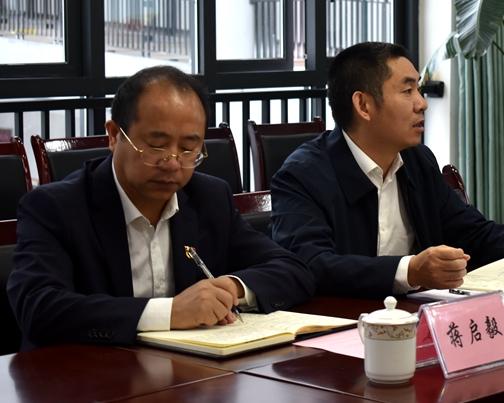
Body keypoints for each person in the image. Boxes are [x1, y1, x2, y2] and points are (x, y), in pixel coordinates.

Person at [8, 66, 315, 351]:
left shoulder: (208, 197)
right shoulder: (56, 207)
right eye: (156, 146)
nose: (172, 163)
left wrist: (231, 288)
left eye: (188, 149)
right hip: (87, 376)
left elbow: (293, 269)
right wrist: (170, 312)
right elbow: (39, 308)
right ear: (114, 135)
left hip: (187, 374)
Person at [270, 41, 504, 298]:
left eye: (419, 90)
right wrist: (410, 271)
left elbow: (472, 234)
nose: (422, 103)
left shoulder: (417, 160)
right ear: (364, 105)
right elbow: (310, 264)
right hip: (340, 330)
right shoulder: (302, 175)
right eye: (407, 91)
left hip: (416, 320)